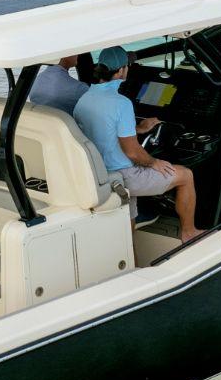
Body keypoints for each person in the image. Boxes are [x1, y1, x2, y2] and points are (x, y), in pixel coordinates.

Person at [71, 45, 198, 243]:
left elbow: (101, 128)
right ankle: (188, 232)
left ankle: (129, 253)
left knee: (127, 230)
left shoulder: (85, 98)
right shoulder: (121, 103)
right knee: (185, 175)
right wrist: (154, 162)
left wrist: (137, 129)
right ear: (122, 70)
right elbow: (132, 152)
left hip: (98, 171)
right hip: (123, 175)